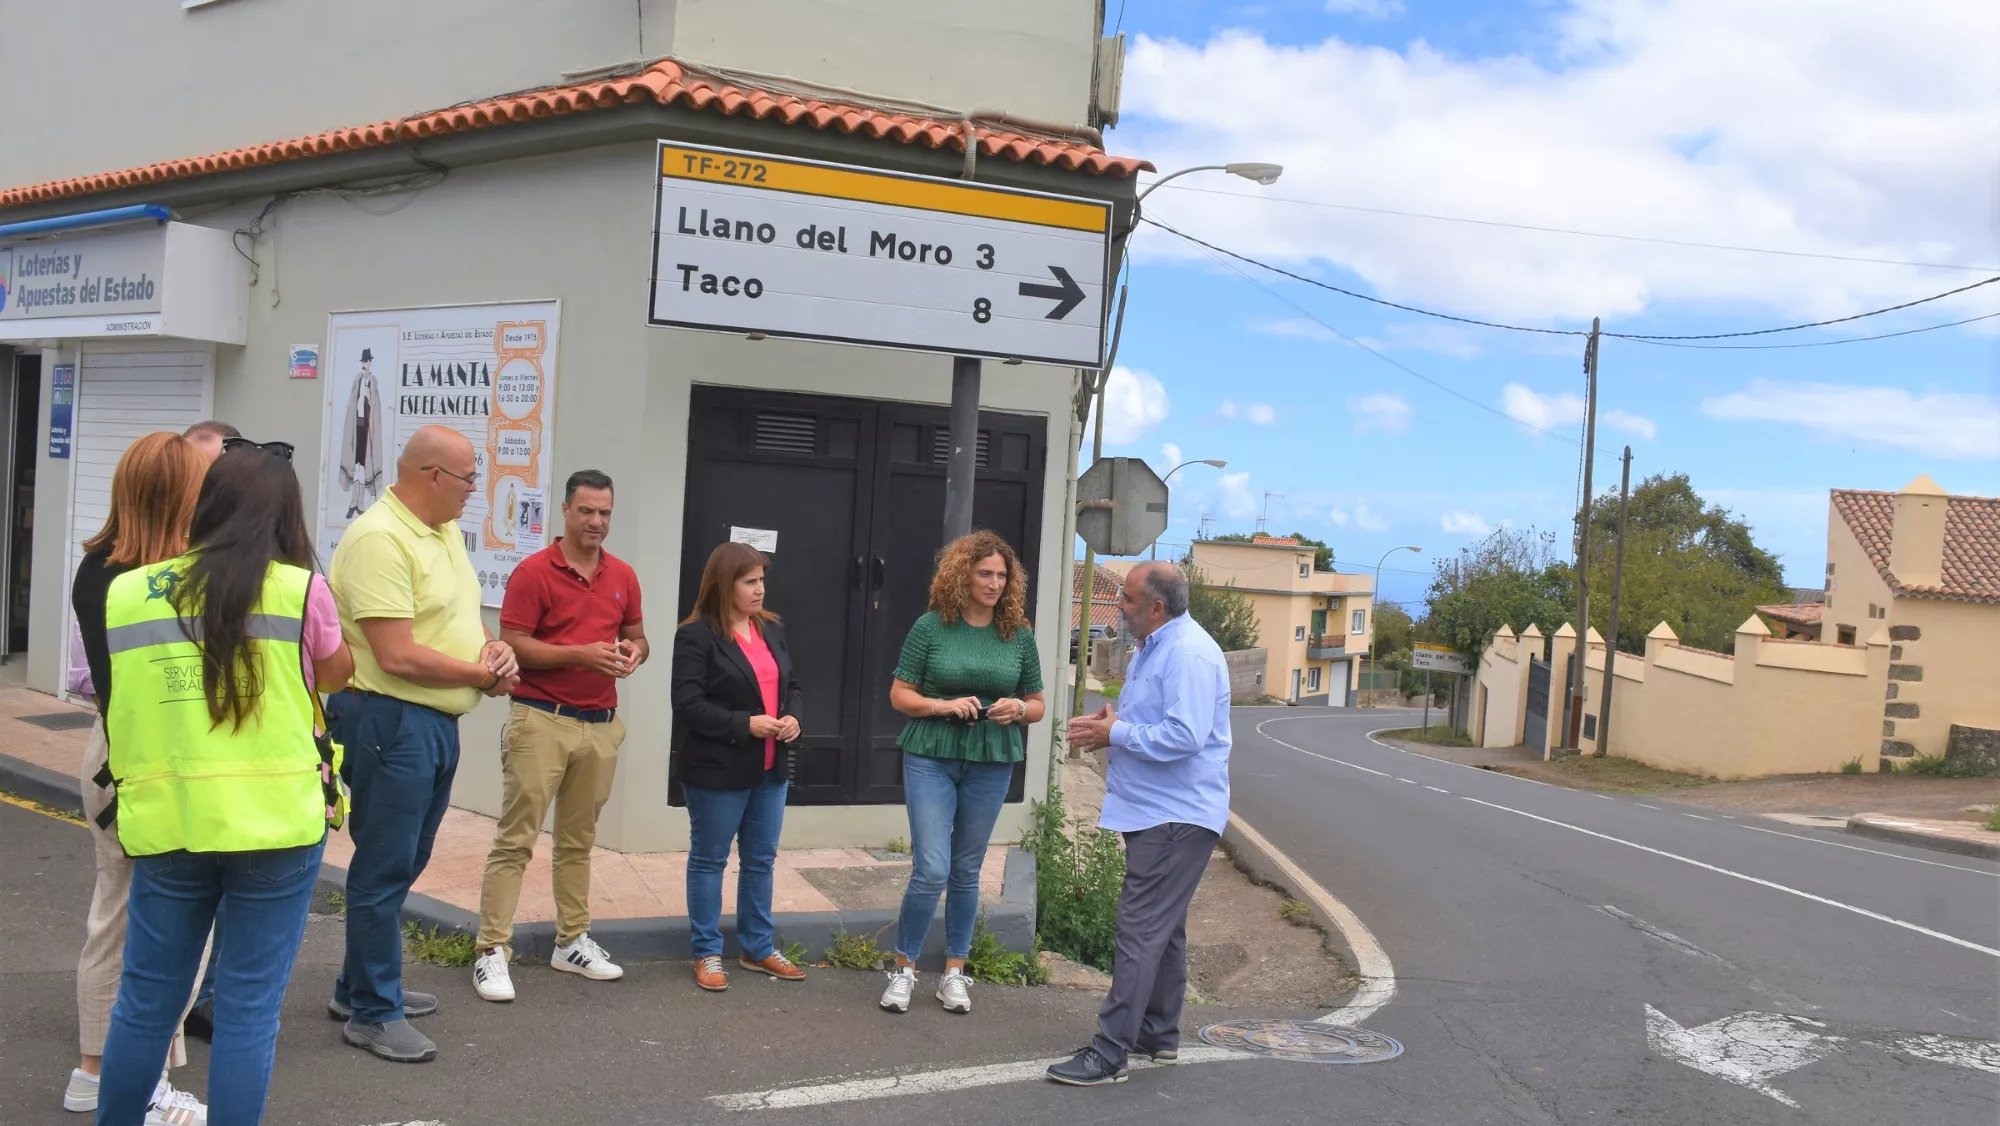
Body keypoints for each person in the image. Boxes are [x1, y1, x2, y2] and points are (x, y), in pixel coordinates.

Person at [94, 439, 354, 1125]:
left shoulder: (129, 592)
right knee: (247, 1008)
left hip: (170, 819)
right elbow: (335, 675)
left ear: (206, 504)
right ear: (285, 515)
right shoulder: (302, 590)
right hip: (275, 824)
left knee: (146, 999)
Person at [327, 425, 518, 1064]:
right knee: (383, 866)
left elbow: (457, 621)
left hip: (430, 723)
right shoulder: (380, 539)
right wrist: (481, 676)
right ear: (433, 475)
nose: (475, 491)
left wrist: (491, 650)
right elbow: (396, 653)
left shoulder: (442, 533)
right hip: (389, 719)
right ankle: (374, 1014)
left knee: (405, 860)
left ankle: (357, 989)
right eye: (469, 479)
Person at [64, 433, 212, 1124]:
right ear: (177, 490)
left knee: (119, 914)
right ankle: (109, 1076)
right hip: (150, 759)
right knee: (155, 922)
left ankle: (125, 1071)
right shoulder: (162, 578)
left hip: (110, 751)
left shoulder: (97, 567)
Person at [1048, 562, 1232, 1087]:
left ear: (1156, 607)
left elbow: (1185, 735)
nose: (1120, 607)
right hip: (1158, 810)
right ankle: (1157, 1034)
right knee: (1164, 929)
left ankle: (1109, 1053)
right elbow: (1156, 723)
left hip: (1174, 814)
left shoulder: (1188, 653)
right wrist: (1116, 725)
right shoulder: (1157, 646)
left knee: (1139, 929)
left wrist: (1118, 734)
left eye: (1127, 600)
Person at [471, 470, 647, 1001]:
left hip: (600, 724)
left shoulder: (623, 574)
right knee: (516, 839)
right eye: (587, 511)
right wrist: (579, 653)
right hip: (540, 718)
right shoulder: (533, 572)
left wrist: (636, 651)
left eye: (606, 513)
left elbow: (637, 635)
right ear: (566, 511)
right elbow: (512, 645)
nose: (597, 522)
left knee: (578, 842)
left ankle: (571, 941)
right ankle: (490, 950)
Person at [879, 530, 1045, 1015]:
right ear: (962, 575)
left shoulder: (1019, 634)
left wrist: (1016, 708)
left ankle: (955, 972)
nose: (994, 583)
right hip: (931, 752)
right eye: (984, 573)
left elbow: (1037, 704)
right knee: (932, 868)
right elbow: (899, 695)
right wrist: (941, 705)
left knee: (967, 869)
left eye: (1001, 575)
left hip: (991, 759)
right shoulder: (930, 627)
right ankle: (904, 968)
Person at [670, 541, 807, 992]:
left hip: (770, 770)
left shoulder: (772, 629)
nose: (760, 589)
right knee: (709, 860)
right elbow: (687, 704)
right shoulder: (696, 636)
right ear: (724, 584)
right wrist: (743, 724)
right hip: (717, 769)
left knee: (761, 860)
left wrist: (793, 717)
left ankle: (757, 948)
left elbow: (795, 685)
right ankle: (707, 952)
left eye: (762, 580)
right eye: (750, 581)